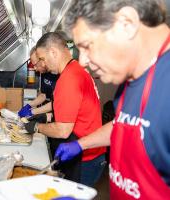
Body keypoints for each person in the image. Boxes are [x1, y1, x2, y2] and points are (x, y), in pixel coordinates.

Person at [55, 0, 170, 198]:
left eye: (87, 46)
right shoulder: (131, 75)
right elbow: (124, 123)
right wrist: (81, 144)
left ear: (127, 23)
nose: (82, 61)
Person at [25, 32, 106, 186]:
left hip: (85, 158)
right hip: (91, 152)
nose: (44, 64)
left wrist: (36, 126)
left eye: (42, 59)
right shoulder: (76, 70)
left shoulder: (68, 79)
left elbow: (63, 130)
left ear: (53, 52)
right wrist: (40, 115)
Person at [18, 46, 59, 123]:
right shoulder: (45, 72)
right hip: (51, 117)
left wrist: (32, 112)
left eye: (35, 64)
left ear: (43, 59)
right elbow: (44, 95)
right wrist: (29, 105)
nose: (35, 69)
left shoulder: (62, 75)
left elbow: (56, 103)